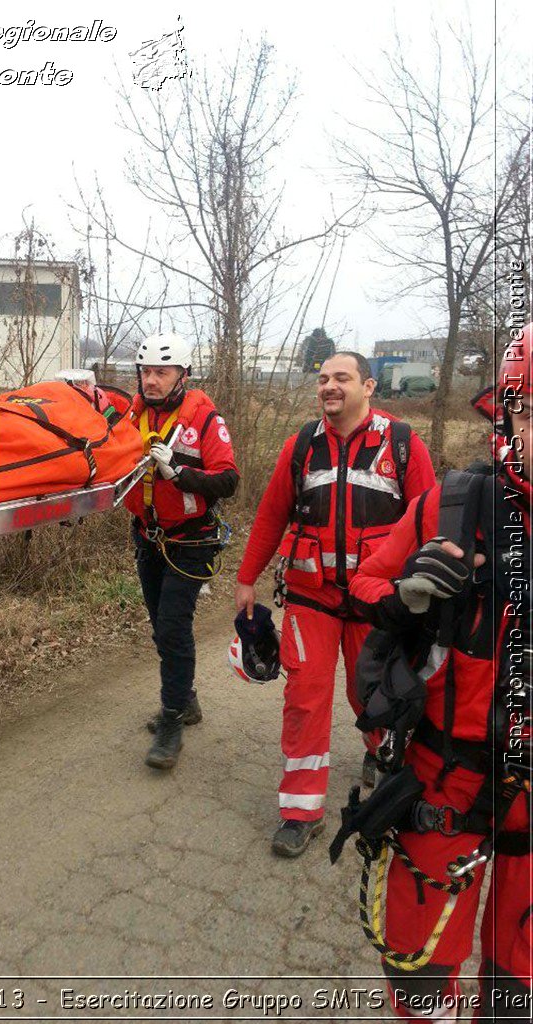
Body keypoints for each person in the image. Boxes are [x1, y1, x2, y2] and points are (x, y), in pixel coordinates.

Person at [348, 327, 532, 1021]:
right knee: (417, 981)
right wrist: (408, 595)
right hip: (444, 780)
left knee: (519, 989)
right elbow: (363, 584)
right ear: (507, 416)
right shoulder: (451, 507)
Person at [235, 352, 436, 857]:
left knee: (372, 694)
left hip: (377, 603)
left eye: (341, 378)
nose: (329, 386)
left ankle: (383, 764)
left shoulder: (403, 444)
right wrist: (245, 579)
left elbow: (431, 521)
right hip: (312, 598)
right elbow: (270, 517)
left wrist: (431, 590)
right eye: (323, 379)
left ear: (368, 386)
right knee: (306, 696)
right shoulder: (300, 446)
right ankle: (301, 811)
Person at [124, 333, 239, 770]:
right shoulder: (132, 416)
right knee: (161, 627)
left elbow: (228, 480)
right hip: (148, 537)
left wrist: (180, 472)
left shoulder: (205, 419)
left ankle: (172, 719)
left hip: (193, 540)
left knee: (172, 627)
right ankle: (186, 701)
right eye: (145, 371)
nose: (150, 381)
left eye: (161, 372)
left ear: (182, 375)